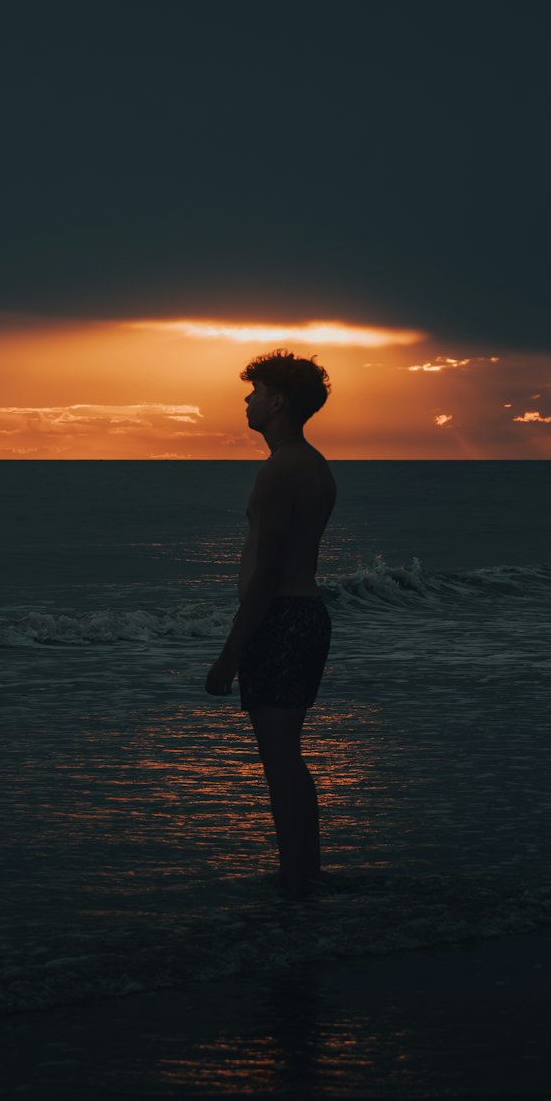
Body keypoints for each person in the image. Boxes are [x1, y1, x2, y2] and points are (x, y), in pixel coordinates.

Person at [206, 350, 337, 898]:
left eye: (255, 391)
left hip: (282, 619)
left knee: (280, 756)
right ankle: (303, 875)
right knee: (285, 755)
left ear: (278, 401)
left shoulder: (281, 470)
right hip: (300, 617)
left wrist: (229, 654)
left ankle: (297, 882)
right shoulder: (311, 463)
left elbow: (268, 573)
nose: (247, 400)